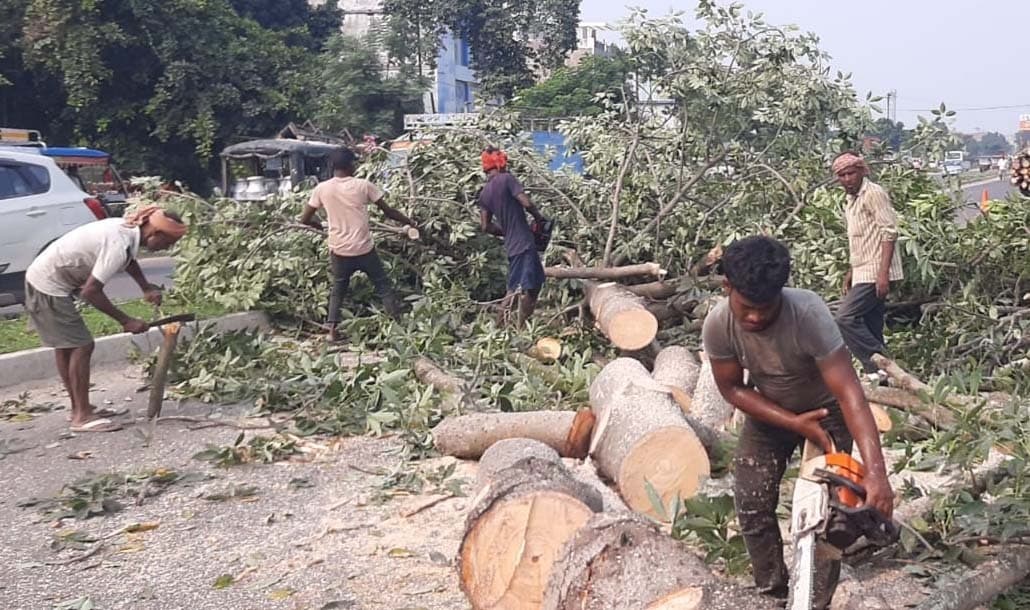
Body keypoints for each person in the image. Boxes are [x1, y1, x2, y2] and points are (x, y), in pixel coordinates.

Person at [703, 236, 893, 610]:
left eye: (765, 308)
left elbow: (850, 394)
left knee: (830, 515)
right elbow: (732, 389)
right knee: (752, 501)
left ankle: (813, 601)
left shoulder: (807, 314)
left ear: (781, 291)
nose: (754, 317)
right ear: (727, 287)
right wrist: (793, 422)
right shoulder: (718, 325)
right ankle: (772, 592)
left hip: (828, 412)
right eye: (746, 307)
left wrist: (877, 473)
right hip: (769, 411)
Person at [24, 206, 188, 433]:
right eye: (168, 243)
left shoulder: (127, 233)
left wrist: (145, 287)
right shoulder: (118, 244)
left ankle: (79, 407)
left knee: (67, 346)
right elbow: (91, 292)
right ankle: (81, 417)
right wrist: (126, 320)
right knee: (82, 345)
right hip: (48, 285)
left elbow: (129, 261)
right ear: (155, 233)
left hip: (47, 278)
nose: (168, 248)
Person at [299, 147, 416, 343]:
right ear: (351, 165)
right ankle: (398, 328)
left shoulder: (322, 189)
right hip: (364, 249)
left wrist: (316, 225)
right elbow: (389, 212)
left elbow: (304, 219)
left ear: (332, 166)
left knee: (338, 289)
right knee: (383, 285)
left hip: (339, 250)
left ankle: (331, 331)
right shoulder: (363, 186)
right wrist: (410, 222)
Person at [832, 152, 904, 385]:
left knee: (845, 318)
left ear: (862, 171)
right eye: (842, 175)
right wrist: (851, 271)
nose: (847, 179)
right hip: (862, 270)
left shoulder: (873, 193)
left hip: (876, 271)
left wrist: (883, 274)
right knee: (872, 325)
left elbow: (889, 232)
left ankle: (882, 363)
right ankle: (882, 378)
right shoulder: (851, 200)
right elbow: (860, 240)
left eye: (851, 173)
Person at [477, 147, 548, 326]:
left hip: (514, 244)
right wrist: (539, 218)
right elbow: (526, 202)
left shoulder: (484, 193)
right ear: (500, 164)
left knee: (534, 286)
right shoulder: (507, 179)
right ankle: (498, 329)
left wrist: (506, 231)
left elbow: (485, 226)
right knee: (515, 289)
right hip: (523, 243)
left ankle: (522, 325)